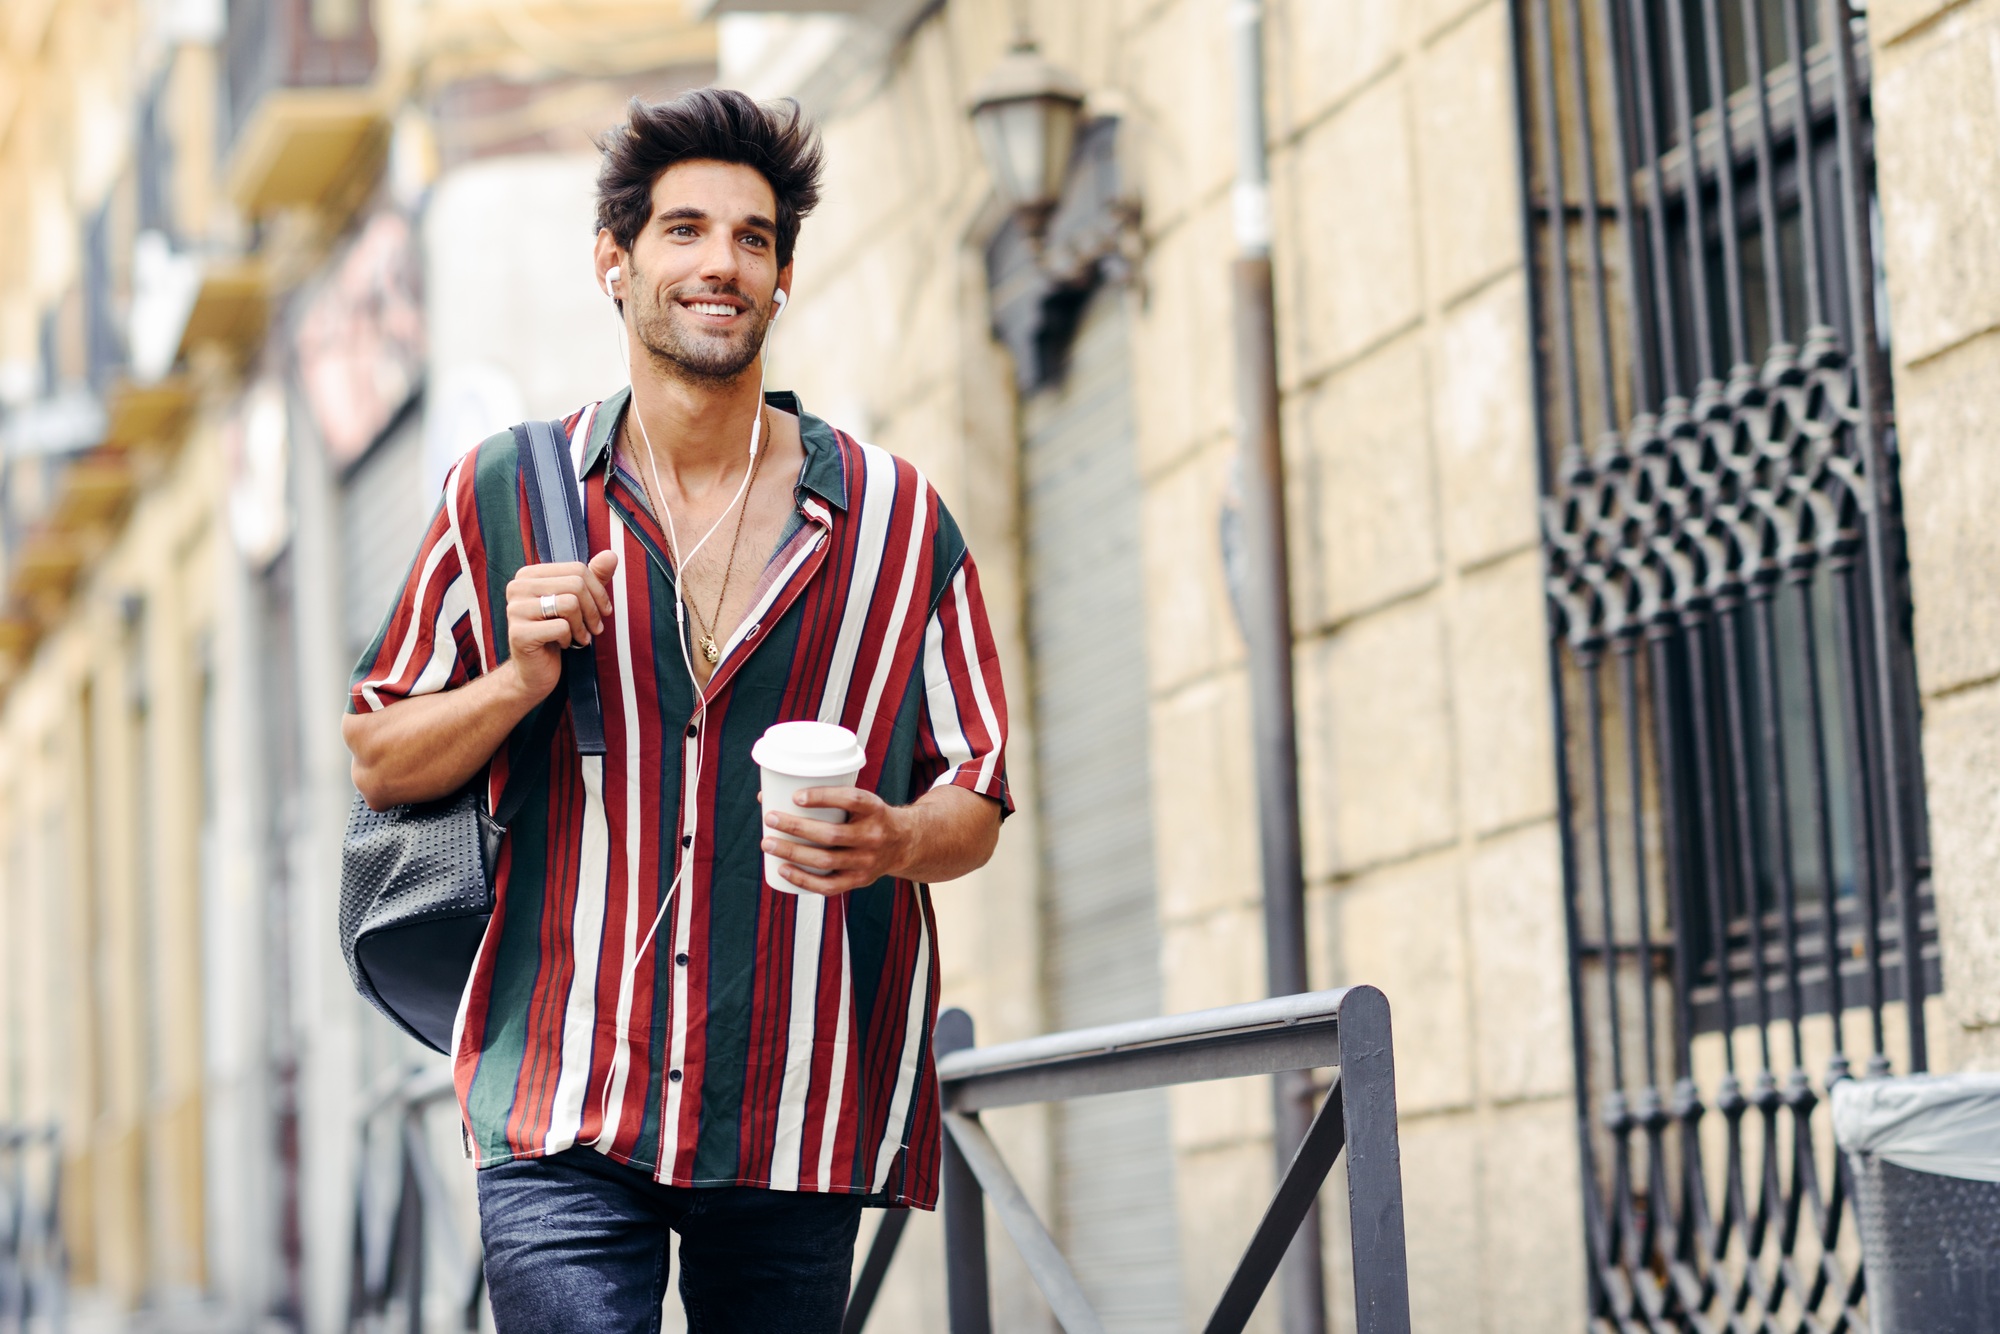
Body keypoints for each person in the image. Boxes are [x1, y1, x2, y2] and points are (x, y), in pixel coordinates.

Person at [341, 88, 1011, 1333]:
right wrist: (515, 681)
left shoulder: (898, 522)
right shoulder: (506, 494)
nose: (721, 262)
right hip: (558, 1099)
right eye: (685, 229)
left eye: (752, 238)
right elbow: (378, 747)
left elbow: (977, 783)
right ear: (616, 262)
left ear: (783, 275)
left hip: (790, 1102)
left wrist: (896, 840)